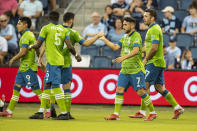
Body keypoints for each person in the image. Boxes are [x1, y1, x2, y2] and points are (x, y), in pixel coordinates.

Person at [39, 12, 105, 119]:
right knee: (66, 87)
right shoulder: (72, 32)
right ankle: (67, 113)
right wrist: (97, 36)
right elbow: (86, 43)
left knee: (49, 84)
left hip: (53, 61)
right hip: (66, 63)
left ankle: (49, 108)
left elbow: (45, 43)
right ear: (71, 20)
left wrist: (41, 57)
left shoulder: (55, 29)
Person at [130, 9, 184, 119]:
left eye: (146, 16)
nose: (144, 18)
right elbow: (149, 47)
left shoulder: (154, 29)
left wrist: (145, 60)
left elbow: (154, 48)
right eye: (143, 16)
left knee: (144, 87)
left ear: (152, 18)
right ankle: (177, 107)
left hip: (153, 62)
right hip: (158, 62)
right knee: (159, 87)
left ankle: (146, 112)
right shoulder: (152, 29)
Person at [100, 17, 157, 121]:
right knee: (119, 89)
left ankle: (152, 113)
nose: (123, 26)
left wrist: (123, 58)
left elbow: (136, 51)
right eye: (123, 24)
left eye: (125, 24)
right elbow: (115, 47)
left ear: (132, 25)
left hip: (136, 70)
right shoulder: (125, 37)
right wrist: (104, 39)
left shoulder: (136, 36)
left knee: (141, 92)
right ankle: (116, 114)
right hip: (125, 70)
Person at [29, 11, 78, 120]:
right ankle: (41, 111)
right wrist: (76, 55)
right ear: (58, 18)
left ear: (49, 18)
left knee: (55, 86)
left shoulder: (45, 28)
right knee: (47, 84)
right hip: (59, 61)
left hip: (52, 61)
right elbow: (70, 47)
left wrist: (31, 47)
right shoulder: (64, 30)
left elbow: (38, 44)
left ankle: (64, 112)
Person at [0, 17, 42, 118]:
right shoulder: (29, 34)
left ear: (25, 25)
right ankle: (9, 111)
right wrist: (40, 59)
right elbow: (37, 48)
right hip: (23, 67)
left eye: (19, 23)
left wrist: (13, 59)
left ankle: (48, 108)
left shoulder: (26, 36)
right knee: (16, 88)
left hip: (28, 67)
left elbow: (23, 52)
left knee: (36, 89)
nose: (17, 25)